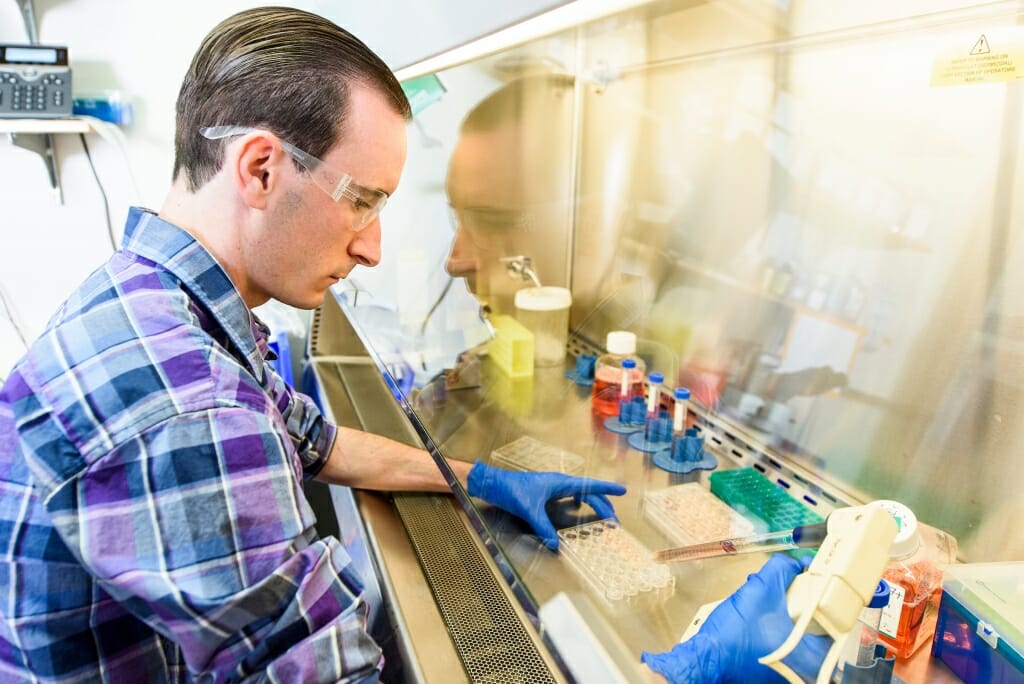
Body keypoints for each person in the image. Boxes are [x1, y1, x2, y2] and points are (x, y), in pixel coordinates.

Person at [0, 8, 625, 683]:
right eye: (361, 201)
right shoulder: (186, 399)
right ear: (261, 169)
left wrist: (477, 480)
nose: (372, 248)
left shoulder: (156, 301)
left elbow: (312, 439)